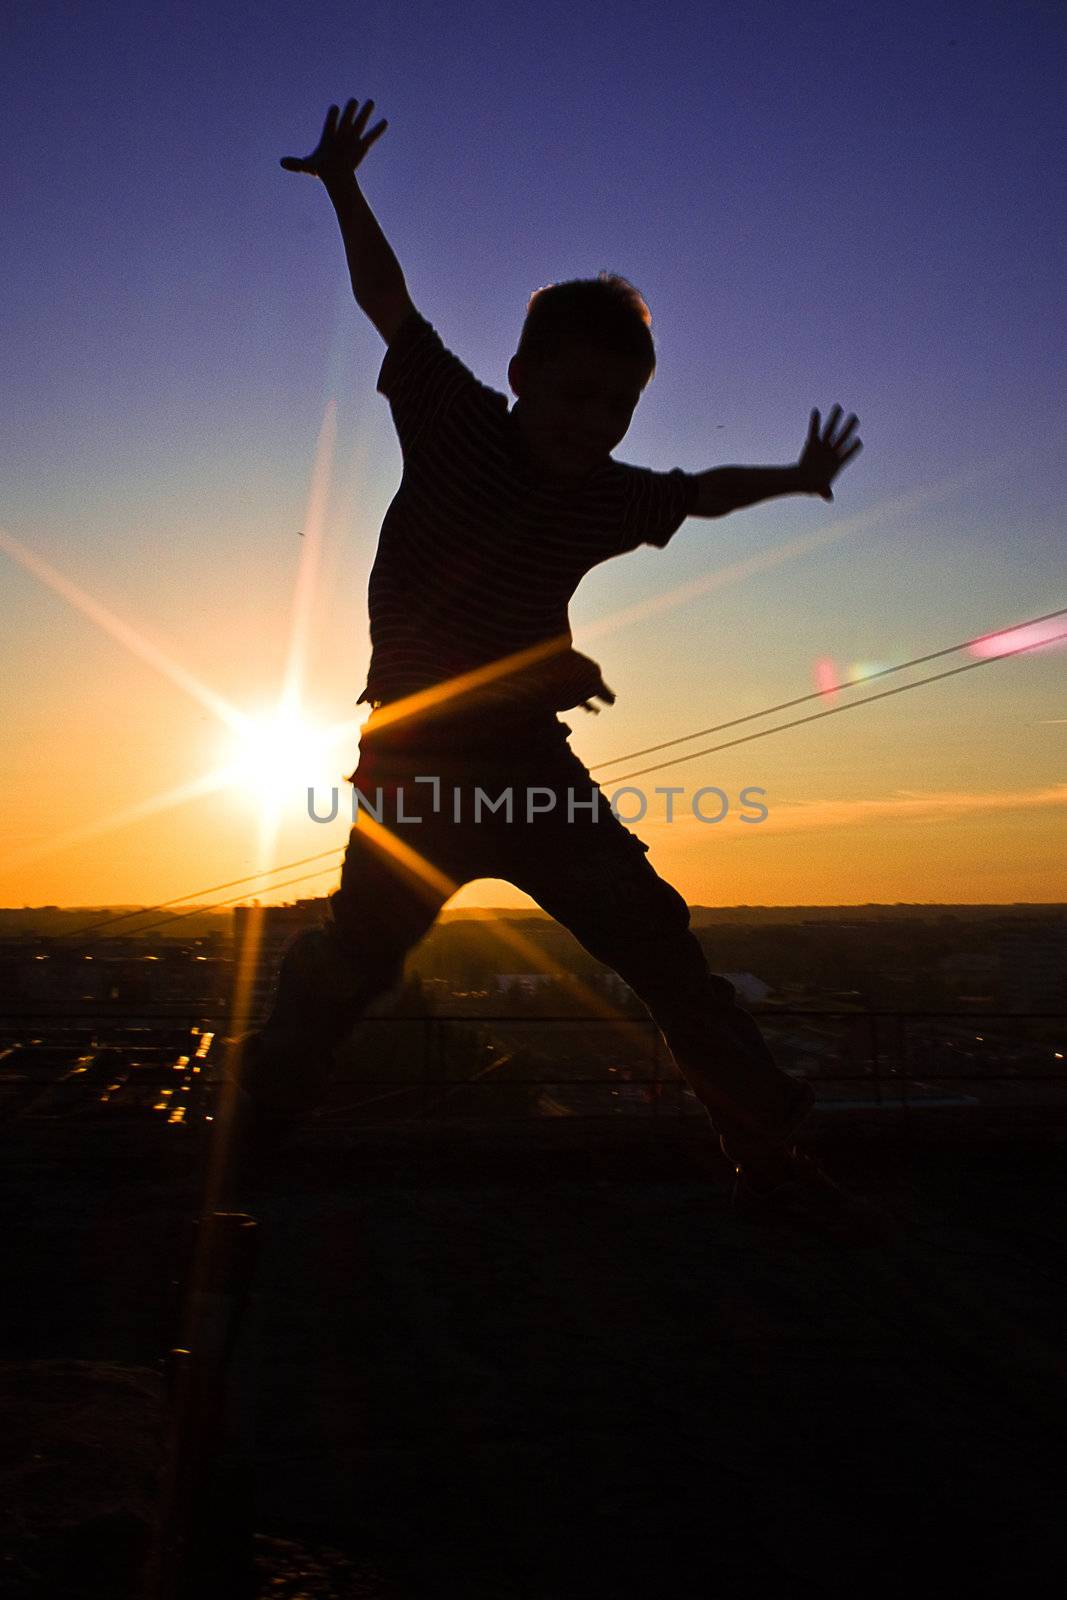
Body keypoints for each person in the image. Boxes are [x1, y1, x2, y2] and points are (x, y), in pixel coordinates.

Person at [230, 98, 867, 1220]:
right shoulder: (456, 421)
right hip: (416, 763)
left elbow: (695, 495)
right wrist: (340, 183)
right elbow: (390, 307)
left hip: (529, 767)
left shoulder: (607, 497)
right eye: (576, 395)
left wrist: (791, 477)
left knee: (656, 944)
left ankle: (768, 1151)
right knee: (351, 972)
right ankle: (240, 1149)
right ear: (520, 373)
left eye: (618, 408)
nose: (594, 424)